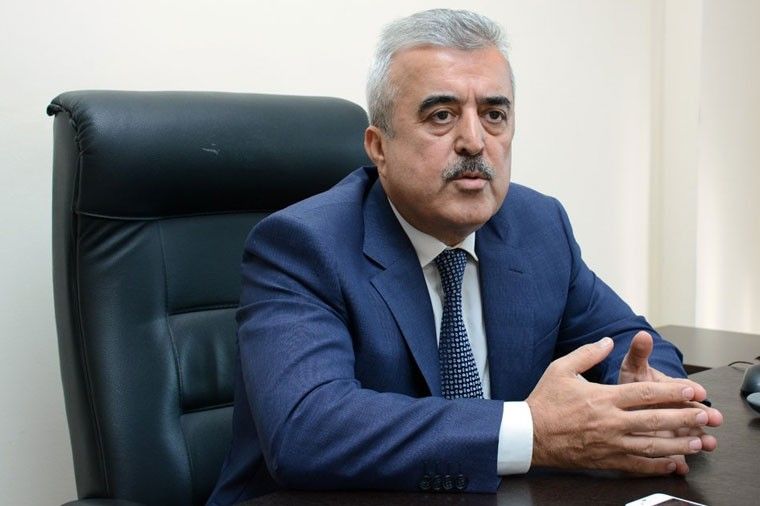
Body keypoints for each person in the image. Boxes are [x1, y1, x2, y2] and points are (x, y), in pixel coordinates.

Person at [206, 8, 722, 505]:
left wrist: (647, 395)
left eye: (494, 115)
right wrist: (532, 431)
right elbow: (308, 429)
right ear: (378, 146)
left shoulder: (537, 226)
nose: (474, 141)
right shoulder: (302, 245)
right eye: (442, 115)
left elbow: (628, 338)